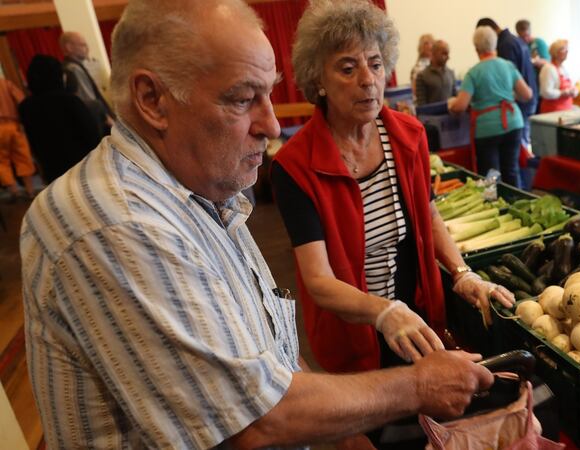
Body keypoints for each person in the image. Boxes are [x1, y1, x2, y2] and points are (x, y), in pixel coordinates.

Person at [20, 1, 497, 448]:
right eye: (243, 99)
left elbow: (269, 353)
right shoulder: (119, 223)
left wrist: (343, 425)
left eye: (268, 94)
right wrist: (417, 385)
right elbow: (251, 420)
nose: (271, 125)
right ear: (152, 99)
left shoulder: (202, 189)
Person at [273, 0, 513, 374]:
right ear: (317, 80)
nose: (367, 79)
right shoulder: (294, 166)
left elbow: (428, 213)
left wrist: (461, 272)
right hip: (353, 332)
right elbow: (318, 280)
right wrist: (383, 312)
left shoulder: (408, 137)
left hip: (417, 320)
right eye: (347, 68)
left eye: (375, 63)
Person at [449, 26, 533, 188]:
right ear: (495, 44)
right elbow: (527, 94)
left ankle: (496, 208)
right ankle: (517, 205)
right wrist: (507, 95)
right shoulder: (508, 66)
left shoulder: (474, 73)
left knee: (491, 175)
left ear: (476, 48)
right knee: (512, 170)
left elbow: (461, 106)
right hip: (513, 122)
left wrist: (451, 104)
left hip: (487, 128)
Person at [19, 55, 101, 183]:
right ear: (56, 75)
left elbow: (33, 143)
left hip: (53, 172)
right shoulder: (70, 101)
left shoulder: (25, 107)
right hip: (83, 169)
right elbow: (91, 136)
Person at [477, 18, 538, 152]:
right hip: (529, 98)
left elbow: (506, 81)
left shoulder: (505, 45)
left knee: (520, 153)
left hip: (518, 104)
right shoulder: (516, 40)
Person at [60, 31, 115, 134]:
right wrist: (107, 117)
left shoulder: (68, 68)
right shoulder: (74, 69)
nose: (87, 48)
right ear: (69, 47)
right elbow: (89, 99)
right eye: (82, 45)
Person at [0, 76, 35, 201]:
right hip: (14, 125)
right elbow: (21, 101)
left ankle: (14, 191)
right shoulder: (6, 83)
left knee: (2, 162)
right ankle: (30, 190)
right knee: (23, 157)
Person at [539, 39, 578, 113]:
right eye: (563, 49)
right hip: (552, 112)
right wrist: (562, 93)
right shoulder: (548, 68)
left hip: (566, 110)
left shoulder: (563, 69)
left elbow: (571, 86)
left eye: (567, 49)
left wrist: (574, 91)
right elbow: (545, 92)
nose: (567, 51)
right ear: (555, 52)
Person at [414, 39, 457, 106]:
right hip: (432, 116)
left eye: (448, 54)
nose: (448, 57)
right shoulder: (422, 76)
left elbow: (455, 98)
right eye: (444, 53)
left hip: (451, 115)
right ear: (434, 53)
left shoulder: (451, 73)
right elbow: (421, 107)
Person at [410, 33, 434, 101]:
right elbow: (415, 91)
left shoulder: (436, 65)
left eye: (432, 42)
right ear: (421, 47)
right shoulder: (418, 68)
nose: (430, 45)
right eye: (426, 43)